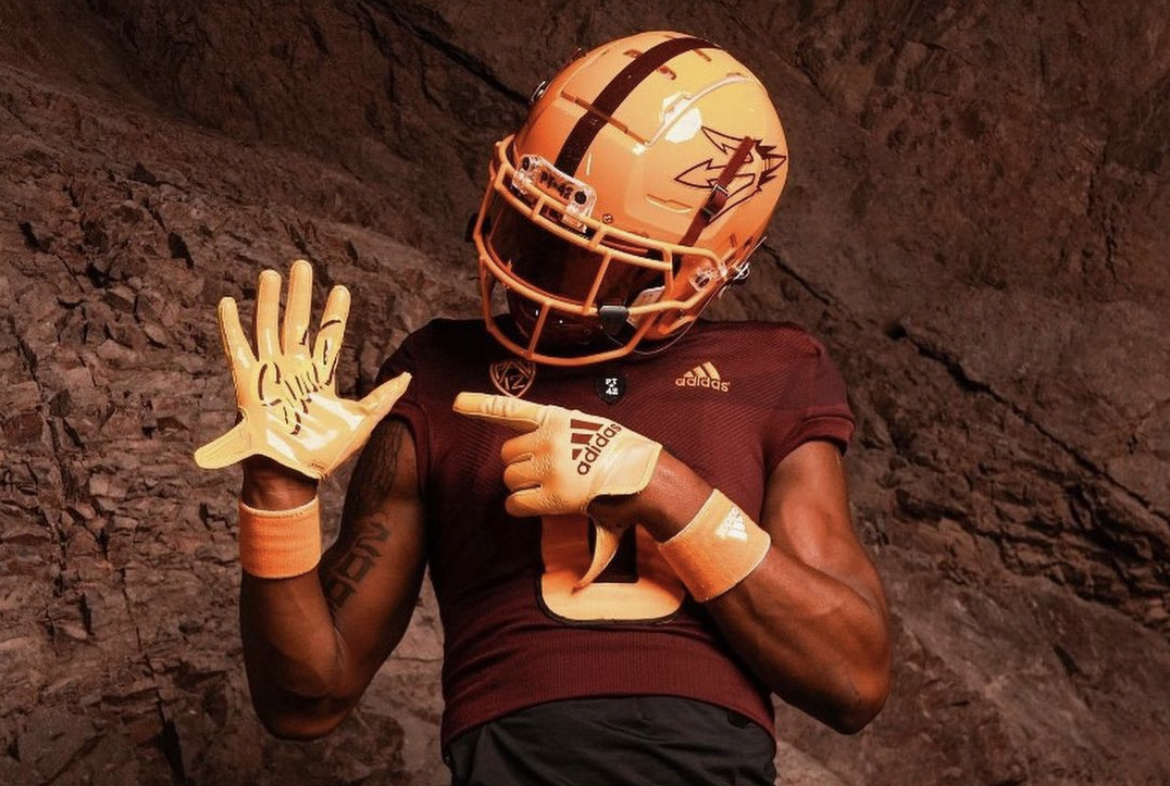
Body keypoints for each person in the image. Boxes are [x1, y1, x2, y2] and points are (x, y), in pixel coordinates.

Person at [196, 30, 891, 785]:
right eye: (531, 229)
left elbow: (853, 679)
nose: (531, 275)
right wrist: (278, 494)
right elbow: (307, 702)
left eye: (591, 258)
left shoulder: (773, 369)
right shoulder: (435, 374)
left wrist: (666, 491)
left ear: (706, 273)